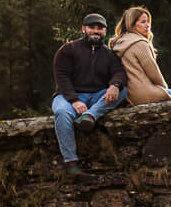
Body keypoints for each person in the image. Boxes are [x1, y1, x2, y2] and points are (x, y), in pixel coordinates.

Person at [51, 13, 124, 175]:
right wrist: (74, 100)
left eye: (100, 28)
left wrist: (115, 85)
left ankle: (89, 116)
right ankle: (71, 163)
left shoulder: (109, 54)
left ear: (105, 31)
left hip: (97, 98)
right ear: (83, 29)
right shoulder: (68, 49)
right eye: (92, 28)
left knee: (123, 90)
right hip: (69, 95)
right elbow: (61, 77)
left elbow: (119, 72)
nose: (96, 31)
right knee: (62, 112)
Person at [109, 6, 171, 104]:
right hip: (146, 93)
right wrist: (164, 87)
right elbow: (153, 72)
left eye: (148, 21)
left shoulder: (120, 42)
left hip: (129, 94)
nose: (147, 25)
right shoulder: (139, 43)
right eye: (143, 22)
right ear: (132, 25)